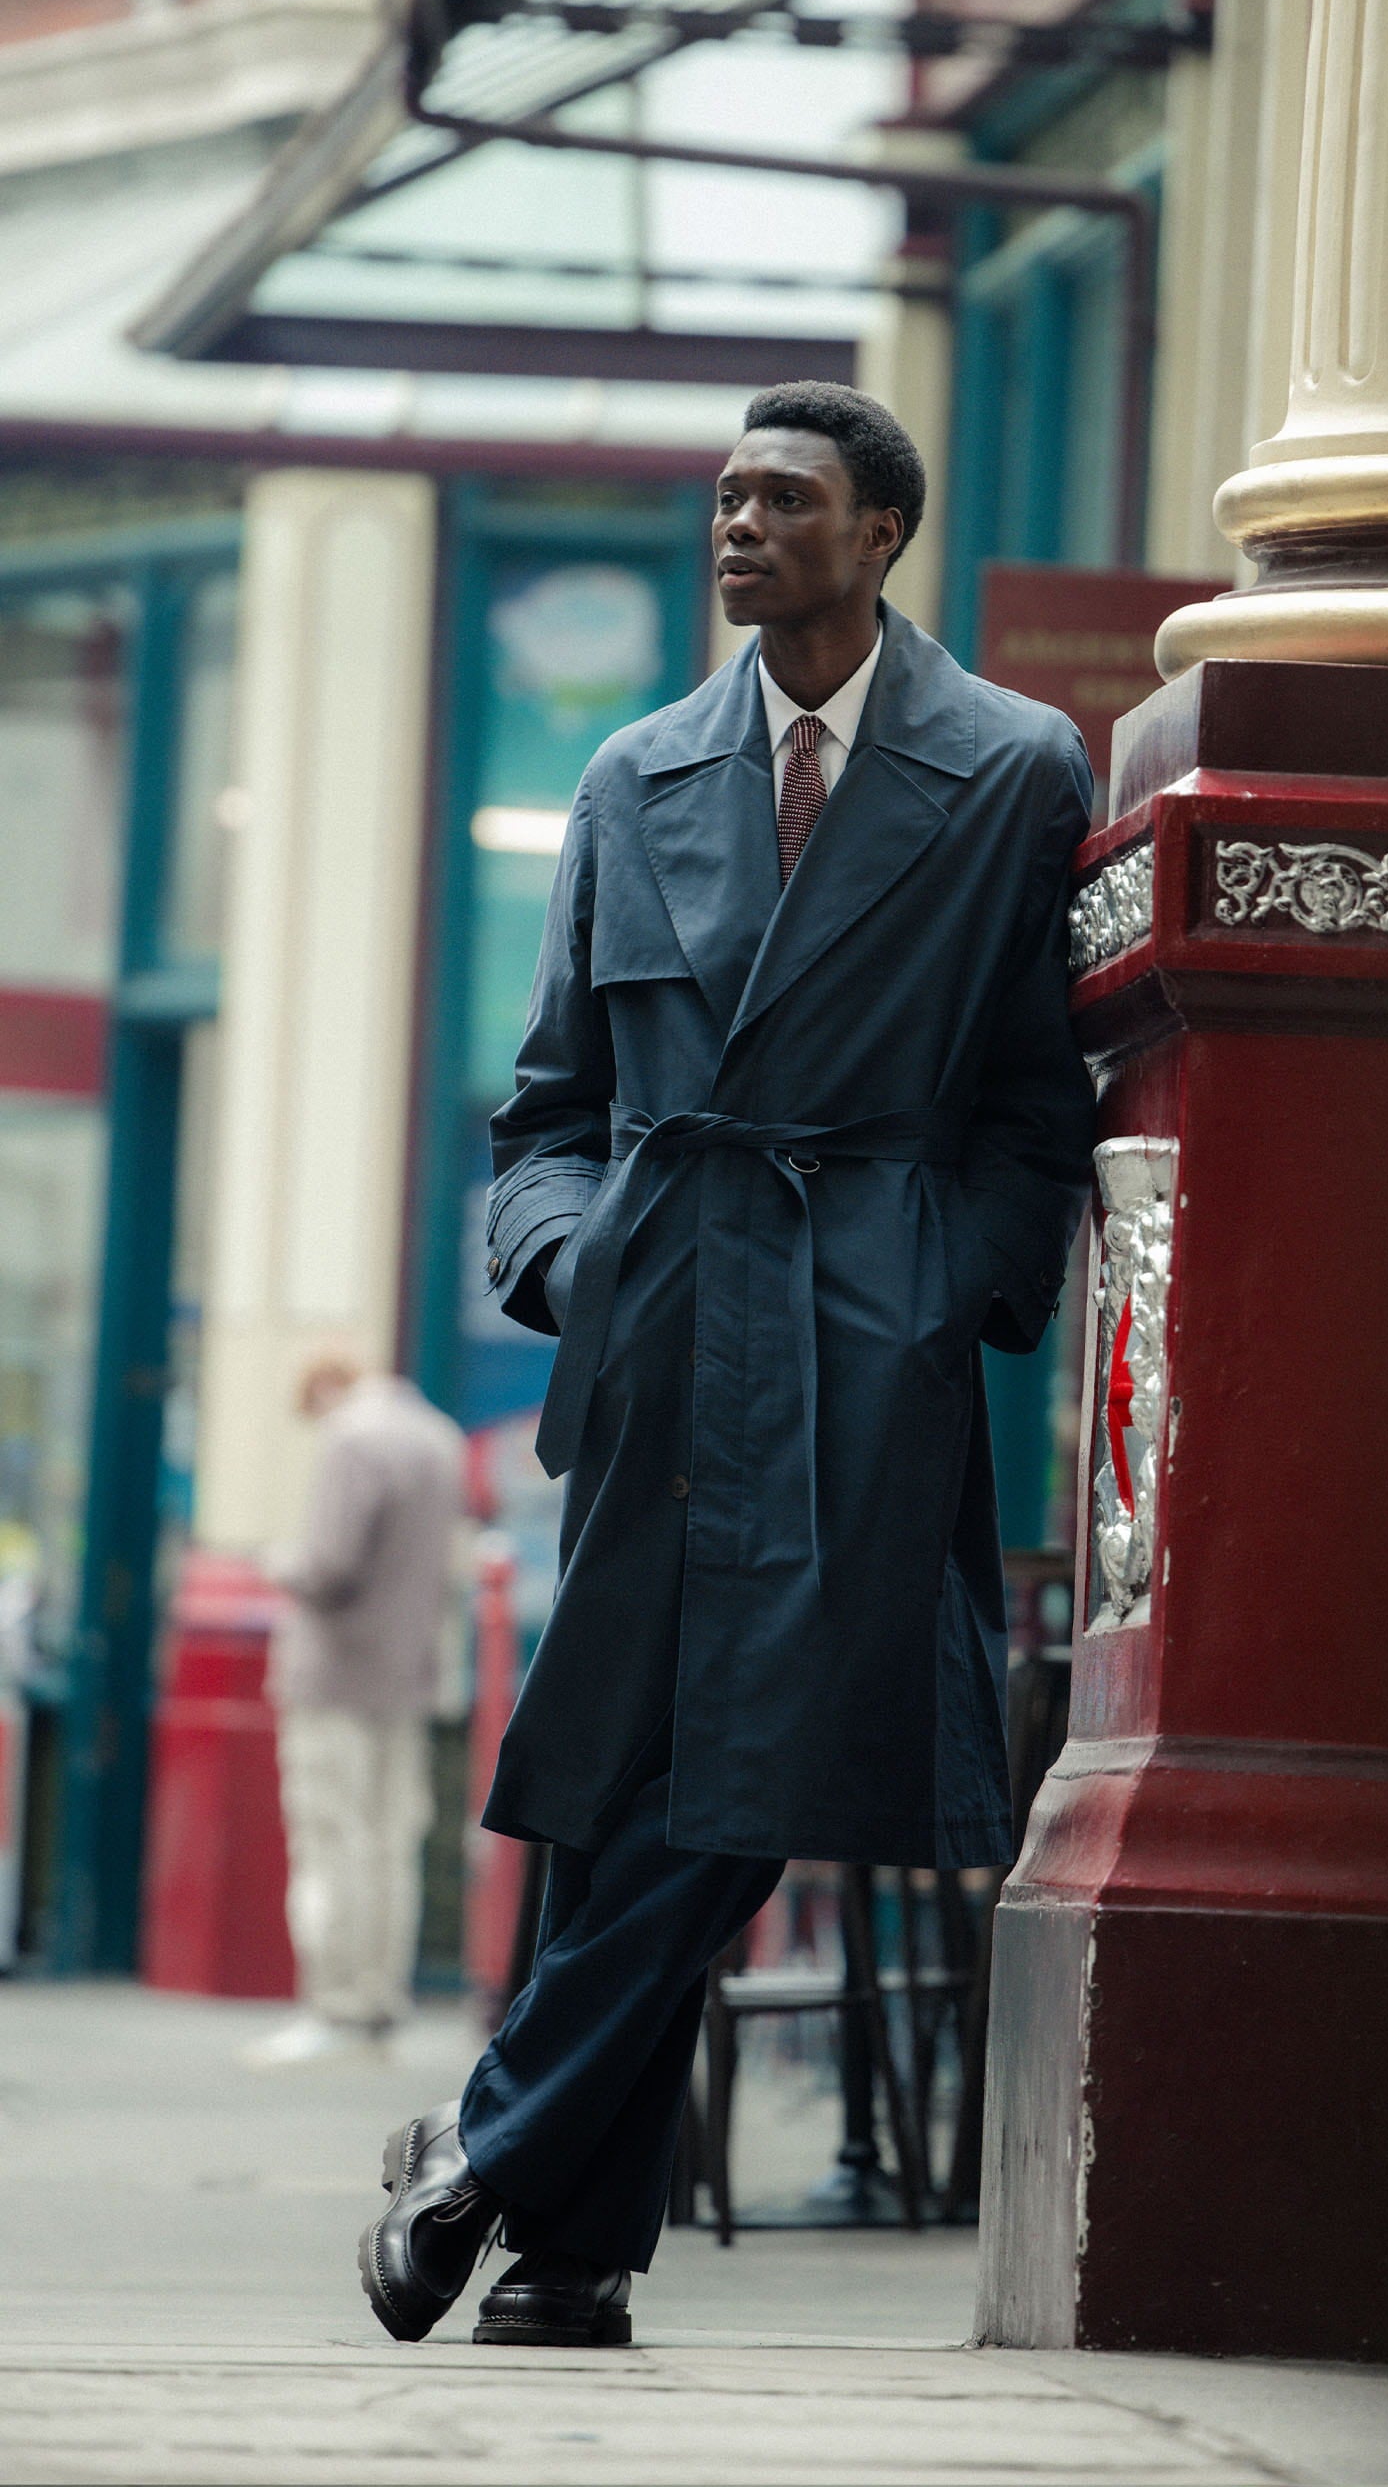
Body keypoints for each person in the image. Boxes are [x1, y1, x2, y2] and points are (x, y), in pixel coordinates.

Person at [358, 382, 1095, 2346]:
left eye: (786, 498)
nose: (739, 526)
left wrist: (951, 1285)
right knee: (626, 1773)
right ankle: (570, 2264)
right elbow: (545, 1113)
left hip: (867, 1331)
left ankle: (485, 2154)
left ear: (880, 538)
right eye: (726, 495)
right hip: (668, 1321)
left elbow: (1039, 1100)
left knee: (753, 1769)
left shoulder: (1016, 770)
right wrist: (573, 1263)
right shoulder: (632, 779)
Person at [243, 1356, 468, 2069]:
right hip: (407, 1676)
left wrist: (278, 1561)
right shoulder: (439, 1438)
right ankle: (377, 2004)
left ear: (320, 1389)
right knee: (389, 1842)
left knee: (330, 1841)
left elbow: (329, 1566)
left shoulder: (351, 1439)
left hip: (335, 1674)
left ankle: (334, 2006)